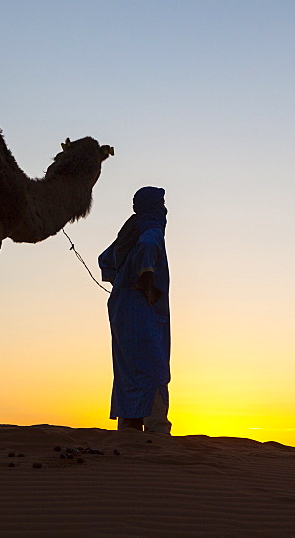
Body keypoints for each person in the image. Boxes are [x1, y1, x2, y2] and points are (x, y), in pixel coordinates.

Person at [98, 186, 171, 434]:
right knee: (153, 366)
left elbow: (105, 260)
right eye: (161, 203)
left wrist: (121, 281)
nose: (165, 208)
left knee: (129, 368)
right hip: (142, 308)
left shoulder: (128, 232)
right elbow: (147, 248)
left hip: (123, 307)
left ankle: (129, 428)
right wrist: (145, 283)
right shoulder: (151, 229)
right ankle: (156, 430)